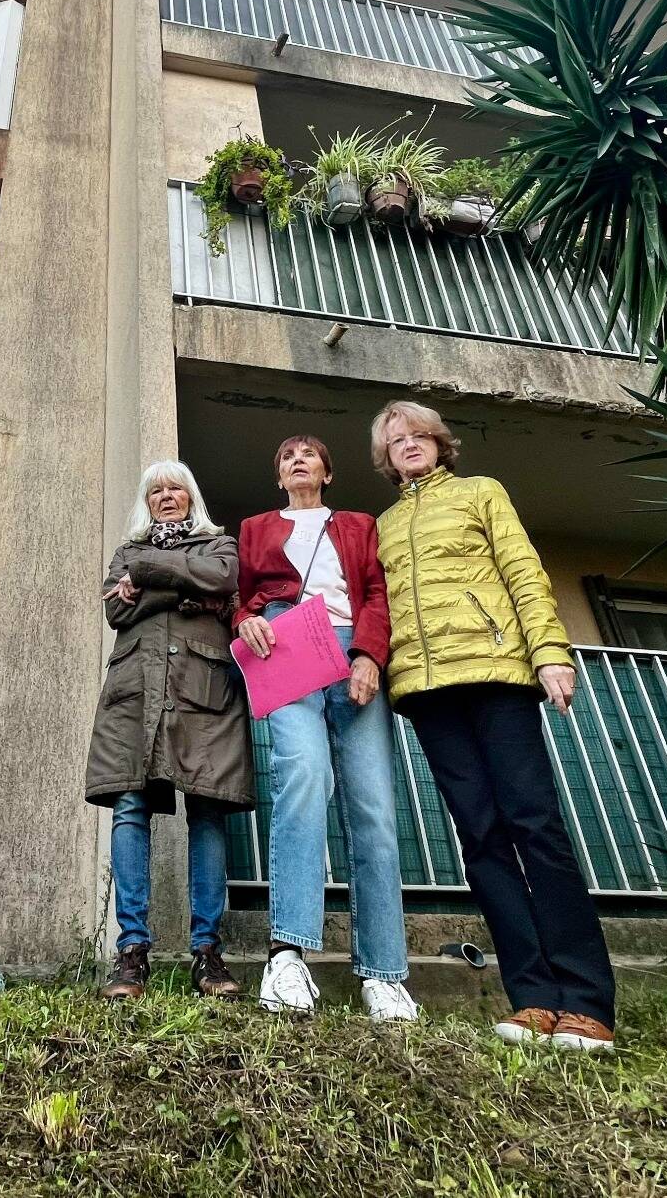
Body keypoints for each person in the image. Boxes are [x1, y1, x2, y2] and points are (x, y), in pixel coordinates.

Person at [371, 400, 617, 1052]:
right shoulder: (385, 525)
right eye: (395, 440)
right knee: (480, 838)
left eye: (418, 433)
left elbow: (523, 572)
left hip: (498, 677)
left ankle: (587, 1001)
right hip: (426, 690)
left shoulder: (482, 492)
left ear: (440, 443)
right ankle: (533, 998)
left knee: (534, 825)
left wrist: (549, 652)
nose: (409, 443)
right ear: (386, 460)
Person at [234, 435, 418, 1022]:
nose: (297, 460)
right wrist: (246, 621)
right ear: (279, 476)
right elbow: (239, 597)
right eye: (286, 456)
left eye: (308, 454)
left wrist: (369, 654)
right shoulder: (256, 526)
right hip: (287, 645)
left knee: (373, 808)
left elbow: (377, 592)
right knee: (303, 779)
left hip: (351, 650)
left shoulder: (360, 525)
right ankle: (286, 955)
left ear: (327, 473)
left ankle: (383, 974)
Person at [85, 460, 253, 1000]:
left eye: (175, 487)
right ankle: (133, 952)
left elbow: (223, 581)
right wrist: (185, 592)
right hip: (136, 694)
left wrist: (150, 581)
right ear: (147, 501)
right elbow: (115, 611)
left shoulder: (219, 544)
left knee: (207, 810)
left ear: (191, 495)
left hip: (204, 691)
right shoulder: (125, 552)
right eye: (155, 490)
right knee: (130, 808)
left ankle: (207, 952)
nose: (165, 496)